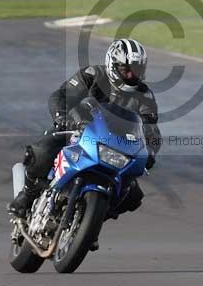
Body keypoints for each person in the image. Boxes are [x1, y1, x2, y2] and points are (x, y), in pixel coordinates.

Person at [8, 38, 161, 217]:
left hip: (115, 145)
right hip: (76, 129)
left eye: (136, 70)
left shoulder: (144, 95)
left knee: (132, 196)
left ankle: (92, 220)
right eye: (125, 69)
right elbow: (62, 96)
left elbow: (151, 129)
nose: (130, 76)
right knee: (42, 151)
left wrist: (150, 152)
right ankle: (27, 195)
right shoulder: (93, 74)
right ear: (113, 64)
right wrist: (62, 117)